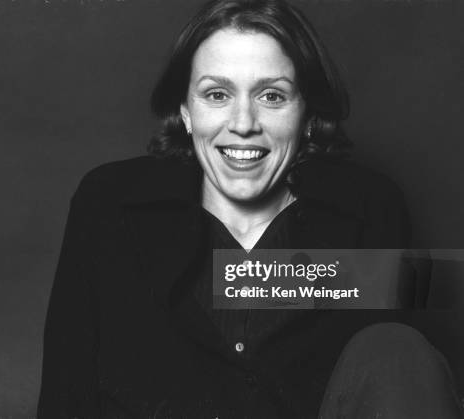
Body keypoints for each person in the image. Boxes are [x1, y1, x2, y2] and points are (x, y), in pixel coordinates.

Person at [38, 0, 463, 417]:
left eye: (272, 96)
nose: (243, 123)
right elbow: (66, 387)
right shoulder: (110, 201)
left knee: (398, 347)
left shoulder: (372, 205)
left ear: (308, 114)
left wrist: (254, 278)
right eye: (217, 94)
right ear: (185, 111)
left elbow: (409, 375)